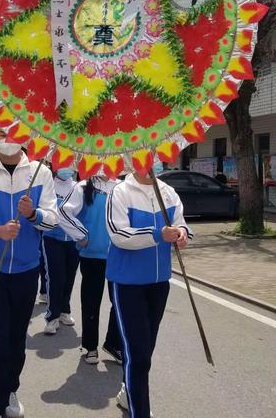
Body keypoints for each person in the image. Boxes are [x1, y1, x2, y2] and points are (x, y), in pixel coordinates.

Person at [0, 126, 58, 418]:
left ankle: (10, 388)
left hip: (27, 270)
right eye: (1, 132)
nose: (8, 138)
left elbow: (52, 219)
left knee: (17, 339)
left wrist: (32, 214)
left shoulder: (40, 173)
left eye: (15, 131)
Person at [105, 171, 193, 418]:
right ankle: (139, 412)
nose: (148, 157)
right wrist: (157, 234)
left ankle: (127, 390)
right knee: (138, 353)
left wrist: (182, 233)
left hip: (158, 282)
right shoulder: (120, 192)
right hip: (127, 283)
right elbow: (118, 234)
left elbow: (181, 221)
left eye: (153, 151)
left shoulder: (167, 192)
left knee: (145, 349)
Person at [59, 175, 122, 365]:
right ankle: (90, 345)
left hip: (119, 255)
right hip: (92, 255)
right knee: (91, 302)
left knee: (119, 303)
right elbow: (63, 212)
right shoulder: (84, 186)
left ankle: (113, 343)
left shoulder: (122, 187)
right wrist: (81, 235)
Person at [42, 166, 79, 335]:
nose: (66, 168)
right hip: (52, 238)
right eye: (62, 163)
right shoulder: (47, 185)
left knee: (70, 276)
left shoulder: (79, 187)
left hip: (73, 239)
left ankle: (65, 310)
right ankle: (52, 317)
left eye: (70, 163)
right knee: (56, 277)